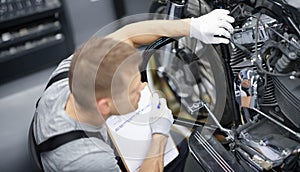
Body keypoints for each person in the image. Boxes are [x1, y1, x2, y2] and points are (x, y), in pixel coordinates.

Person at [33, 9, 234, 172]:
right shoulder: (90, 159)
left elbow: (129, 34)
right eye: (134, 91)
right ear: (104, 105)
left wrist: (193, 26)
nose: (145, 88)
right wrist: (160, 132)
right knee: (177, 148)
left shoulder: (71, 71)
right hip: (70, 156)